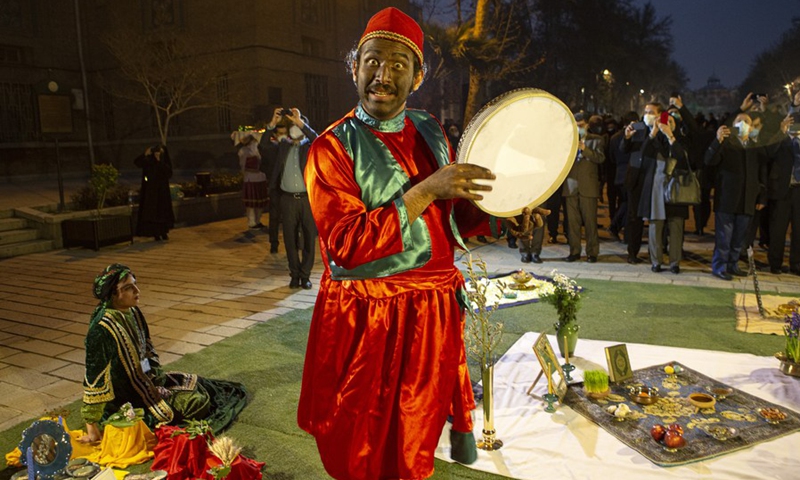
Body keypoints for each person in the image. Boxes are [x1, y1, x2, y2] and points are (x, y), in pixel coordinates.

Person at [297, 7, 501, 480]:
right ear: (354, 66)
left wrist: (503, 214)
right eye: (372, 62)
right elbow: (345, 244)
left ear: (418, 75)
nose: (382, 76)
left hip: (432, 315)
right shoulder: (331, 148)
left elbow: (450, 217)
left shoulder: (430, 128)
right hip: (369, 320)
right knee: (361, 445)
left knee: (417, 434)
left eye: (397, 65)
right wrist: (427, 188)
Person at [79, 264, 248, 443]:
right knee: (196, 403)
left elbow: (147, 349)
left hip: (147, 381)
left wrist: (155, 378)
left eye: (135, 284)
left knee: (202, 387)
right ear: (113, 294)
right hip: (127, 398)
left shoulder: (133, 311)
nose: (137, 291)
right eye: (128, 288)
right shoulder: (101, 329)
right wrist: (92, 428)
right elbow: (94, 379)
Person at [263, 107, 318, 289]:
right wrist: (271, 124)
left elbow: (320, 140)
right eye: (292, 125)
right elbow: (263, 146)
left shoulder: (311, 148)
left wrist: (300, 122)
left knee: (309, 238)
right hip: (287, 199)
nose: (293, 128)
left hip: (307, 200)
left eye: (297, 125)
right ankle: (294, 275)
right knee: (290, 238)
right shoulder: (283, 146)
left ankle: (305, 275)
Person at [636, 113, 691, 273]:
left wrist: (671, 136)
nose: (667, 124)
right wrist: (653, 132)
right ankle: (656, 261)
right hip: (656, 189)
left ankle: (674, 262)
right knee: (655, 228)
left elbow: (682, 158)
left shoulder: (680, 140)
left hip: (676, 190)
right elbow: (643, 153)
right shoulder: (654, 141)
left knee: (675, 228)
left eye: (671, 122)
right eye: (664, 122)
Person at [563, 112, 606, 263]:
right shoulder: (567, 141)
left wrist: (584, 149)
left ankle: (592, 252)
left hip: (588, 187)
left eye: (581, 125)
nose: (578, 128)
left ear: (587, 125)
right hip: (571, 186)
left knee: (590, 222)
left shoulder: (597, 140)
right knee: (573, 223)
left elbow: (600, 158)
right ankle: (574, 251)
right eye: (575, 126)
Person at [258, 123, 289, 253]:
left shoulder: (292, 148)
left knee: (290, 218)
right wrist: (270, 125)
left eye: (285, 134)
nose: (282, 137)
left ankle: (294, 243)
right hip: (276, 188)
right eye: (280, 134)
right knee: (274, 217)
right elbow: (262, 145)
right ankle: (274, 243)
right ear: (275, 136)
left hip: (289, 189)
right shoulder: (272, 149)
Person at [134, 145, 175, 241]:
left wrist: (159, 161)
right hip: (151, 191)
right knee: (153, 214)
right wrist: (145, 154)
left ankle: (164, 232)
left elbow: (168, 172)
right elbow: (137, 163)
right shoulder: (149, 161)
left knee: (162, 212)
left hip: (162, 191)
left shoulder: (163, 161)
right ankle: (156, 233)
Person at [235, 133, 268, 229]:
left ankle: (258, 220)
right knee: (251, 202)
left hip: (260, 177)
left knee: (259, 201)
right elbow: (242, 165)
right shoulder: (243, 151)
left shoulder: (259, 150)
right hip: (250, 178)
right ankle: (252, 221)